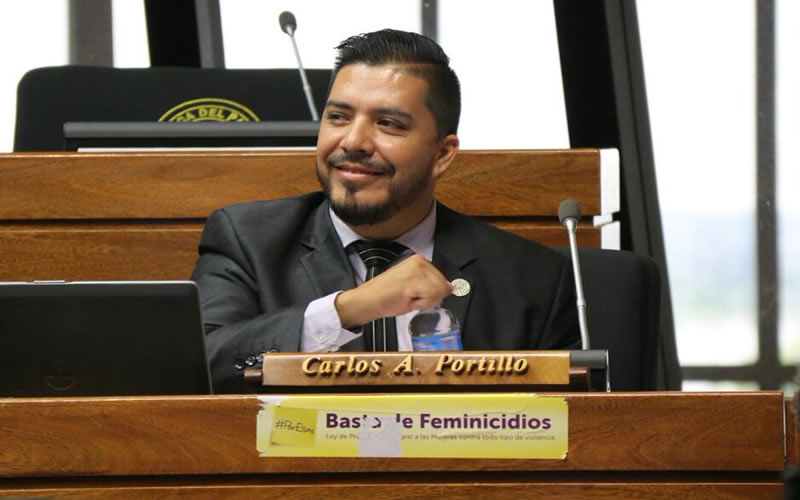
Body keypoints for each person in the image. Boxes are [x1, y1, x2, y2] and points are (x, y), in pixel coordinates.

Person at [191, 29, 581, 393]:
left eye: (388, 124)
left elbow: (575, 425)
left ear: (442, 154)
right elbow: (201, 363)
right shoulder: (250, 240)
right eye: (338, 117)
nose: (354, 141)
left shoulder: (533, 277)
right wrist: (351, 308)